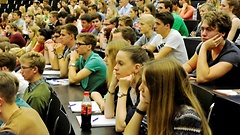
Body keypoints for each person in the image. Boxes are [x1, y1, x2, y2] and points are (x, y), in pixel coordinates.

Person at [124, 58, 212, 135]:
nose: (140, 88)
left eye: (146, 84)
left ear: (160, 88)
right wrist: (141, 107)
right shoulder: (155, 108)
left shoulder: (186, 117)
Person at [183, 10, 240, 88]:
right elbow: (189, 65)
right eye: (202, 29)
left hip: (225, 97)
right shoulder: (204, 45)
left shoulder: (232, 53)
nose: (203, 34)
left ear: (223, 33)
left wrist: (204, 48)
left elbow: (203, 78)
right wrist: (180, 73)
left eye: (209, 30)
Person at [105, 46, 153, 133]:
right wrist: (112, 86)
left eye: (121, 63)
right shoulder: (128, 84)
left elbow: (120, 126)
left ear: (137, 68)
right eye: (116, 63)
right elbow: (108, 114)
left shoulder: (145, 90)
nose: (115, 68)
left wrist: (122, 91)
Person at [68, 33, 107, 109]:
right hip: (87, 94)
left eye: (79, 44)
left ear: (89, 46)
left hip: (97, 98)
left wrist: (72, 60)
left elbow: (73, 79)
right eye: (76, 44)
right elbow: (64, 74)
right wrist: (67, 59)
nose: (76, 47)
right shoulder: (82, 57)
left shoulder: (95, 61)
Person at [20, 52, 51, 120]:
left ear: (35, 69)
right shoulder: (33, 87)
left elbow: (31, 121)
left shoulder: (36, 97)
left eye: (24, 68)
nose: (20, 71)